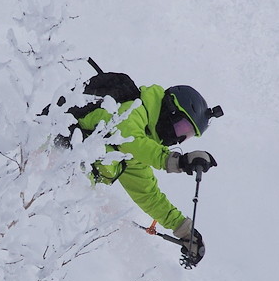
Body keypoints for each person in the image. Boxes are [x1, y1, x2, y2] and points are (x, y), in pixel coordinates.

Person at [66, 71, 223, 267]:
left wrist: (183, 229)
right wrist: (179, 161)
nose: (178, 138)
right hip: (45, 155)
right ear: (171, 110)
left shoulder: (139, 153)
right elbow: (130, 138)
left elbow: (148, 195)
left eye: (187, 136)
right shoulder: (133, 109)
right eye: (182, 129)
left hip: (61, 189)